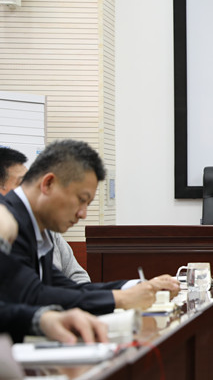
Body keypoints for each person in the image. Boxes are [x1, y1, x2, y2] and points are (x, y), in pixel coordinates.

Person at [0, 139, 179, 314]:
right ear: (48, 184)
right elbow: (32, 296)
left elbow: (69, 289)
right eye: (81, 200)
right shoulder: (8, 222)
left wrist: (138, 287)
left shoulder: (36, 227)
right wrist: (121, 299)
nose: (83, 214)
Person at [0, 204, 107, 344]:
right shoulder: (10, 225)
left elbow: (75, 277)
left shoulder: (50, 234)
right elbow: (32, 292)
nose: (83, 214)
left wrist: (48, 319)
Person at [0, 147, 91, 283]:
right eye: (22, 184)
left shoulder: (46, 229)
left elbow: (74, 278)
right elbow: (32, 291)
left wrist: (114, 293)